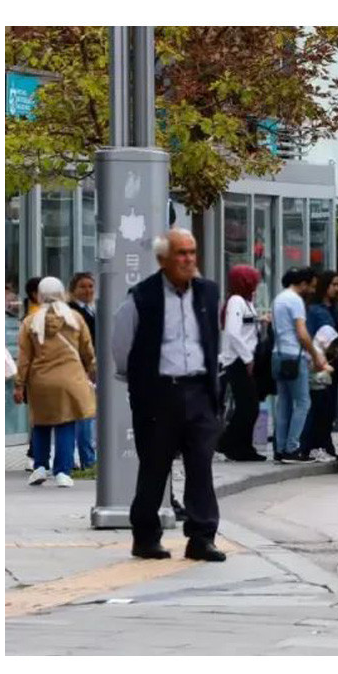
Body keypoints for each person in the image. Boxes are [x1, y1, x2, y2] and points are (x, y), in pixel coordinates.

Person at [109, 229, 225, 561]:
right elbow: (122, 342)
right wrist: (138, 382)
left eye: (192, 252)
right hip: (159, 393)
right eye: (181, 253)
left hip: (200, 391)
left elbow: (211, 338)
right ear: (163, 260)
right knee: (154, 467)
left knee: (201, 465)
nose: (188, 259)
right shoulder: (142, 296)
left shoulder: (207, 292)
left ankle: (202, 537)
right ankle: (145, 536)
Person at [15, 277, 96, 489]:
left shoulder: (30, 322)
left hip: (40, 380)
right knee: (66, 424)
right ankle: (62, 471)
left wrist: (19, 385)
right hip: (71, 379)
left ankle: (40, 467)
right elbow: (87, 351)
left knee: (40, 423)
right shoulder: (75, 318)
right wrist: (92, 371)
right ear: (63, 294)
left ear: (39, 295)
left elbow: (24, 358)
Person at [272, 267, 331, 463]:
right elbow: (302, 333)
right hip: (294, 357)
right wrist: (315, 355)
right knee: (303, 403)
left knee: (284, 403)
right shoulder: (296, 301)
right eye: (312, 286)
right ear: (303, 284)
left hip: (278, 355)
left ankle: (280, 448)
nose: (313, 291)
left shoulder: (279, 299)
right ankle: (292, 448)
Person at [217, 265, 264, 461]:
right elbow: (233, 333)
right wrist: (248, 359)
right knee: (248, 407)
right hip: (238, 361)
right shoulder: (236, 301)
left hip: (244, 359)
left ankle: (242, 446)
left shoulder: (246, 302)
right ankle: (229, 443)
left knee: (248, 406)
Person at [300, 270, 338, 460]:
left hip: (334, 365)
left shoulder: (337, 309)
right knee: (320, 407)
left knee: (328, 408)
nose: (337, 288)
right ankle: (313, 445)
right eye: (333, 284)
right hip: (319, 364)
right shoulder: (316, 310)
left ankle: (323, 445)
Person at [67, 271, 98, 470]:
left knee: (88, 413)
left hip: (93, 366)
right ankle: (87, 458)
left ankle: (86, 456)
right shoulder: (72, 312)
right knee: (84, 414)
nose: (87, 290)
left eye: (90, 286)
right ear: (73, 290)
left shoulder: (94, 310)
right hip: (80, 367)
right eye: (83, 287)